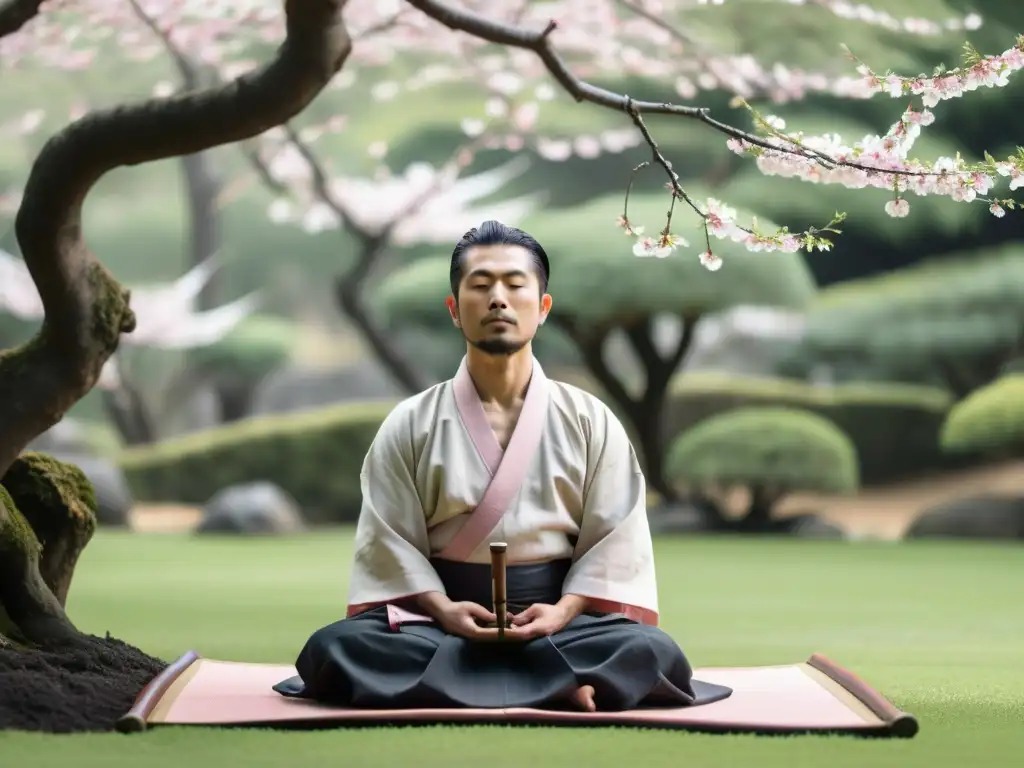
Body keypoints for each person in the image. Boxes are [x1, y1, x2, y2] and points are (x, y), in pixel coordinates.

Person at [273, 221, 732, 712]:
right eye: (480, 285)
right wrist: (443, 608)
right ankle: (560, 685)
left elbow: (613, 539)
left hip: (560, 622)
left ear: (543, 307)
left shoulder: (589, 419)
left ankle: (476, 683)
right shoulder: (411, 423)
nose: (498, 299)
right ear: (454, 309)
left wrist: (564, 611)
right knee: (338, 647)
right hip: (441, 622)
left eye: (515, 285)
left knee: (648, 649)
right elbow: (390, 540)